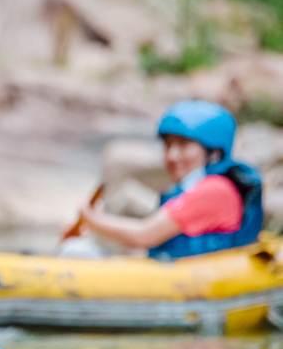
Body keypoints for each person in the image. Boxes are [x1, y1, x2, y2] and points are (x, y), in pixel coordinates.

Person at [76, 101, 264, 259]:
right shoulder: (191, 187)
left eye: (183, 145)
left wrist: (90, 217)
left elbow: (144, 234)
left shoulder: (215, 190)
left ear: (213, 153)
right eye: (168, 145)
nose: (172, 156)